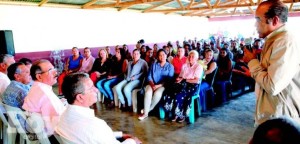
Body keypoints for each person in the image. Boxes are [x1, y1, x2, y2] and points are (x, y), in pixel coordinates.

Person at [243, 0, 300, 126]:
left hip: (281, 117)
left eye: (258, 19)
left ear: (274, 20)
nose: (255, 25)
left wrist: (252, 61)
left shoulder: (285, 42)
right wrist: (253, 71)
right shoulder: (273, 40)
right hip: (274, 113)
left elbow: (272, 86)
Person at [56, 72, 142, 144]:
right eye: (91, 88)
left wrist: (119, 134)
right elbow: (94, 133)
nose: (96, 90)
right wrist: (132, 141)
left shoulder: (63, 117)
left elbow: (94, 136)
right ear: (80, 97)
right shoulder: (96, 125)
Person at [22, 59, 66, 136]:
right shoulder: (45, 94)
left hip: (38, 128)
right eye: (51, 71)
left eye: (54, 69)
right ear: (39, 76)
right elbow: (59, 120)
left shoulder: (36, 87)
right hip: (54, 135)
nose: (56, 73)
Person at [163, 50, 203, 123]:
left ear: (196, 59)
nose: (190, 58)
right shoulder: (185, 65)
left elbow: (196, 80)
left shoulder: (198, 67)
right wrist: (179, 79)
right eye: (189, 56)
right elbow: (180, 76)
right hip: (183, 84)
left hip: (193, 86)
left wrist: (184, 80)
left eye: (193, 57)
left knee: (180, 94)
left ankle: (181, 114)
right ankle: (174, 113)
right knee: (170, 91)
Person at [138, 49, 174, 120]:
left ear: (166, 56)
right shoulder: (154, 65)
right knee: (148, 92)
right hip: (152, 84)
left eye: (163, 55)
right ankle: (145, 114)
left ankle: (147, 110)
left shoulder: (170, 66)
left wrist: (158, 86)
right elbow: (149, 76)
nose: (162, 57)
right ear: (158, 57)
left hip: (163, 85)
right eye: (160, 55)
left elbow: (169, 79)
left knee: (157, 94)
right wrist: (152, 84)